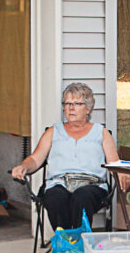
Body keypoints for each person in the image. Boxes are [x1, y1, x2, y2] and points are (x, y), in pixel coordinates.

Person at [11, 82, 119, 231]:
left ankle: (79, 240)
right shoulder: (53, 131)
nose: (70, 108)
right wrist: (23, 167)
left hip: (92, 185)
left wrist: (122, 174)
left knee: (82, 197)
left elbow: (114, 162)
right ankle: (64, 240)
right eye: (67, 103)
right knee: (55, 197)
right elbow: (35, 159)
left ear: (88, 108)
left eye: (77, 103)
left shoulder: (101, 132)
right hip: (59, 183)